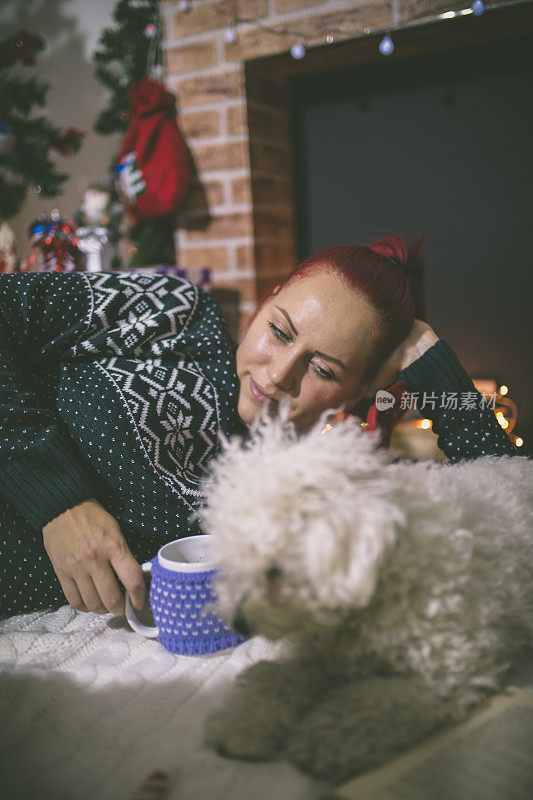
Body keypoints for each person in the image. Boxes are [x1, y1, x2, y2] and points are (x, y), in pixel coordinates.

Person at [0, 235, 514, 618]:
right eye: (279, 330)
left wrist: (429, 359)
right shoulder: (176, 314)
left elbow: (511, 501)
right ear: (267, 300)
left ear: (357, 390)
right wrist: (56, 499)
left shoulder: (302, 492)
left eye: (323, 369)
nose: (279, 373)